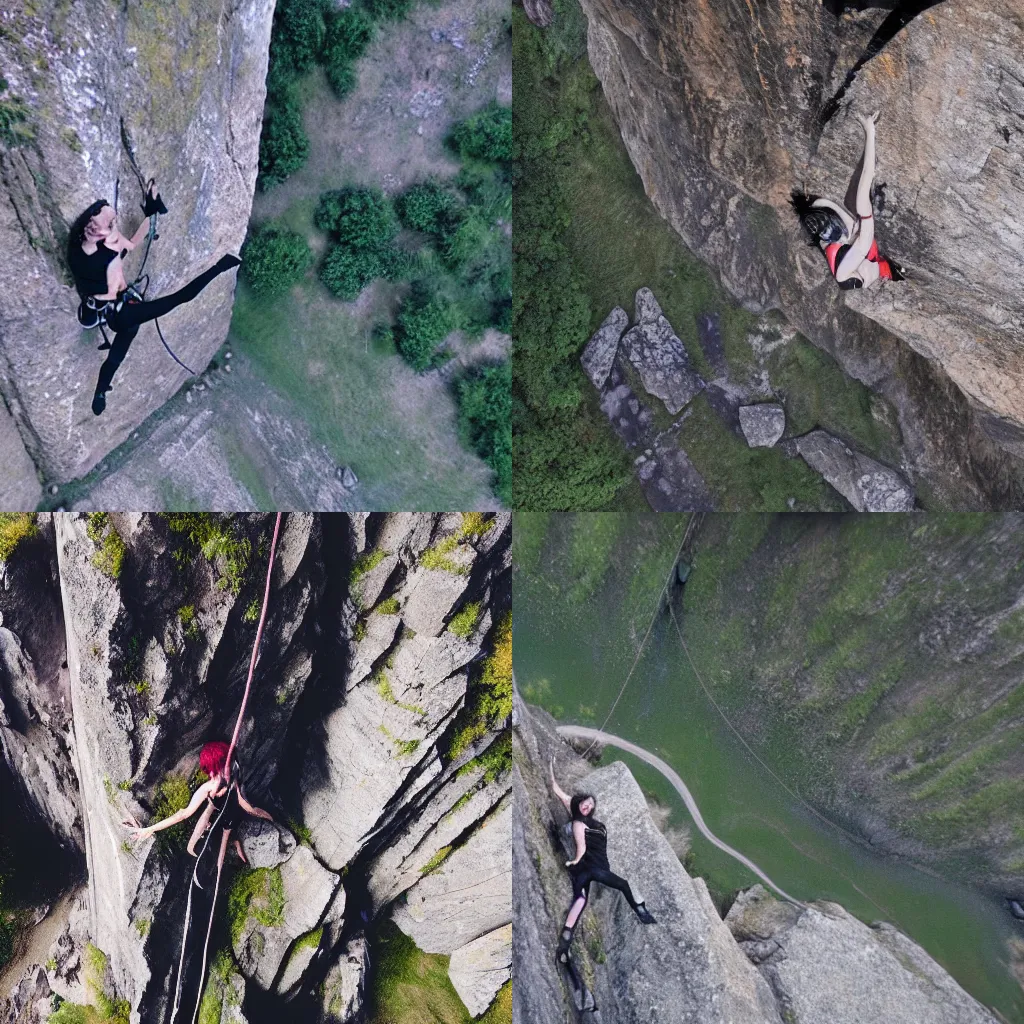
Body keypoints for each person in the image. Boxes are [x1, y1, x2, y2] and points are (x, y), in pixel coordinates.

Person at [124, 741, 273, 1024]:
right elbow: (185, 813)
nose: (208, 774)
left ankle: (220, 868)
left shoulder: (229, 777)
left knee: (216, 861)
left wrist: (258, 813)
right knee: (197, 848)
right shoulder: (213, 786)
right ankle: (216, 858)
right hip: (218, 818)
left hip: (228, 823)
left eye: (211, 769)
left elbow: (241, 804)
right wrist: (148, 830)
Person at [67, 183, 241, 416]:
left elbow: (132, 242)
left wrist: (152, 210)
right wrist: (219, 268)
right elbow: (182, 297)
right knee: (120, 351)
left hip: (119, 307)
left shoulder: (107, 246)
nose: (113, 227)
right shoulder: (89, 255)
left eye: (111, 222)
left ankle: (100, 392)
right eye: (109, 223)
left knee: (116, 358)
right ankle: (100, 392)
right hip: (119, 313)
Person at [549, 757, 656, 969]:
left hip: (585, 871)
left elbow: (559, 793)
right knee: (623, 884)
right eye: (585, 803)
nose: (587, 806)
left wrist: (551, 768)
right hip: (593, 868)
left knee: (580, 899)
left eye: (590, 804)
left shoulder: (581, 818)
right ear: (579, 804)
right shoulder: (580, 823)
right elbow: (581, 846)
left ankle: (566, 938)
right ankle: (641, 911)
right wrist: (575, 860)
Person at [790, 110, 905, 291]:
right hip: (850, 254)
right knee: (853, 217)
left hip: (850, 258)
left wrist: (870, 131)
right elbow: (866, 177)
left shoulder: (858, 243)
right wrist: (869, 131)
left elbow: (866, 178)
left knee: (851, 229)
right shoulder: (859, 238)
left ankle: (819, 215)